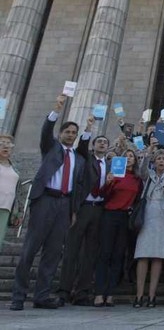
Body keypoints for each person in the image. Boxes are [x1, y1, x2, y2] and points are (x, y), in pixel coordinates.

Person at [11, 95, 87, 311]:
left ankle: (42, 295)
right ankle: (18, 296)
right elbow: (46, 132)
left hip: (64, 204)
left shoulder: (79, 159)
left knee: (53, 253)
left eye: (74, 133)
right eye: (67, 132)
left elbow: (78, 186)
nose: (71, 135)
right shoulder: (51, 148)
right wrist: (56, 110)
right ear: (60, 134)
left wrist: (73, 211)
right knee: (30, 250)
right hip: (45, 200)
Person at [58, 116, 107, 306]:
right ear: (93, 146)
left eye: (105, 142)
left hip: (99, 210)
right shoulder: (85, 159)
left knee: (90, 252)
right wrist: (87, 129)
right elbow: (82, 146)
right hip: (84, 207)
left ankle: (82, 292)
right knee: (71, 250)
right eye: (99, 142)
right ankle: (64, 290)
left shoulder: (111, 165)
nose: (102, 144)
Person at [94, 149, 142, 306]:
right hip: (109, 215)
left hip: (125, 217)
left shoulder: (137, 179)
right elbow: (102, 194)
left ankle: (111, 293)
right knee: (104, 253)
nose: (128, 159)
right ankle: (99, 292)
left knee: (118, 255)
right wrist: (108, 183)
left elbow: (138, 200)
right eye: (126, 156)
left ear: (135, 161)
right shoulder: (114, 175)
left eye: (131, 156)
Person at [133, 150, 164, 307]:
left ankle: (152, 295)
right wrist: (146, 156)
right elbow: (141, 171)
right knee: (143, 255)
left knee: (158, 256)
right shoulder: (149, 174)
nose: (161, 161)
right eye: (158, 158)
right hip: (148, 214)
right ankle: (139, 295)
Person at [0, 134, 19, 252]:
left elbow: (17, 192)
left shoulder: (15, 168)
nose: (5, 146)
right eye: (2, 143)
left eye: (8, 144)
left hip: (6, 209)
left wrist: (17, 213)